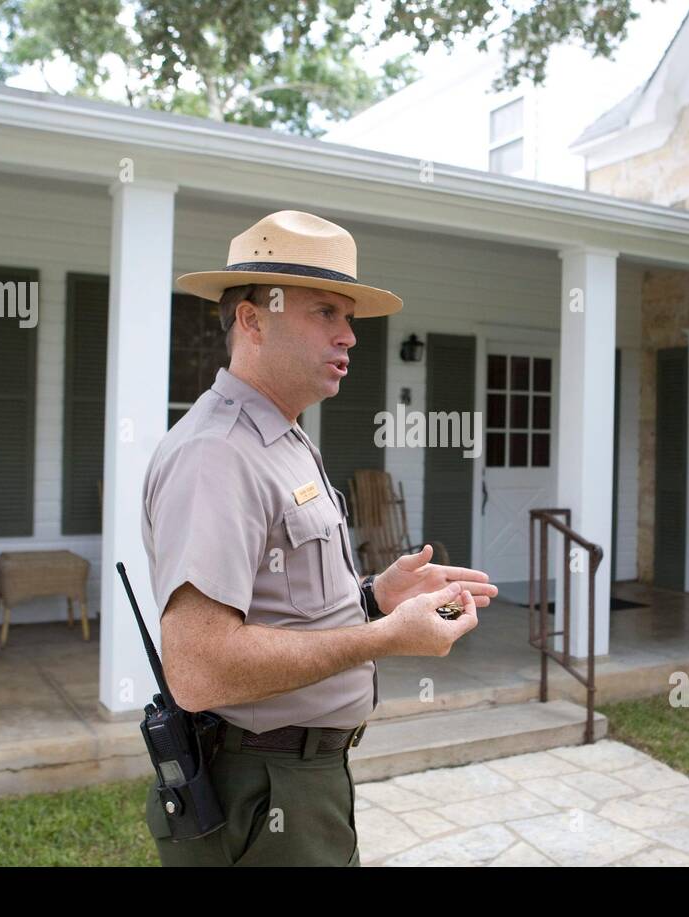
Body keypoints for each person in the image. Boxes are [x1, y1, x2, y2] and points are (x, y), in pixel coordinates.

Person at [140, 209, 499, 866]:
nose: (349, 336)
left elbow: (278, 605)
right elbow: (198, 668)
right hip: (261, 789)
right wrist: (386, 637)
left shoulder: (279, 434)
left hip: (302, 782)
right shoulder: (217, 453)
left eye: (350, 317)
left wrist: (372, 598)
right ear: (252, 319)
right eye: (325, 312)